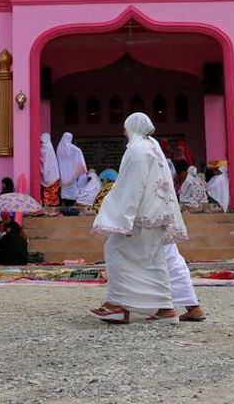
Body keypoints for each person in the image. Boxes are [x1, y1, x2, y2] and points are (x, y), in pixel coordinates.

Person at [90, 113, 188, 324]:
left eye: (125, 128)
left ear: (132, 127)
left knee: (115, 249)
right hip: (158, 214)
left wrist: (121, 217)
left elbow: (131, 186)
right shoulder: (153, 146)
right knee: (154, 259)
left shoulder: (136, 149)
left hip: (141, 216)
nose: (124, 133)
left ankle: (116, 305)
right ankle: (165, 309)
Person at [57, 132, 88, 208]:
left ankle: (66, 206)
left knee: (65, 191)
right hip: (72, 175)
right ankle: (72, 207)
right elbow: (79, 155)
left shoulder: (59, 148)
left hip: (63, 175)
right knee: (72, 190)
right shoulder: (74, 149)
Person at [40, 133, 61, 207]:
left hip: (48, 175)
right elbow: (51, 163)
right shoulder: (50, 148)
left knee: (48, 192)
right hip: (53, 175)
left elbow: (45, 162)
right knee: (53, 193)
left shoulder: (43, 149)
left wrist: (44, 172)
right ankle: (52, 207)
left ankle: (48, 206)